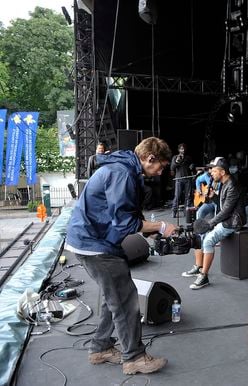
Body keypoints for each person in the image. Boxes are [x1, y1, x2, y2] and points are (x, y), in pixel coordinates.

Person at [65, 137, 177, 375]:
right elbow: (125, 222)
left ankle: (100, 347)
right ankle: (134, 357)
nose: (162, 171)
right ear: (150, 158)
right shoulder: (122, 174)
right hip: (94, 244)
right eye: (162, 165)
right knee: (125, 300)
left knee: (112, 295)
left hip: (93, 240)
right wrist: (160, 227)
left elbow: (126, 214)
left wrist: (150, 234)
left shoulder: (124, 167)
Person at [186, 157, 246, 289]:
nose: (211, 173)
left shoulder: (233, 186)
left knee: (208, 240)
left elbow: (226, 211)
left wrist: (210, 223)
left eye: (213, 171)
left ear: (222, 172)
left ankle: (204, 276)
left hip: (233, 221)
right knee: (199, 235)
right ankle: (198, 266)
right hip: (226, 218)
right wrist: (214, 197)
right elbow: (222, 204)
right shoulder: (225, 183)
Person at [170, 143, 194, 218]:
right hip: (179, 179)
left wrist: (192, 166)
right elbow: (172, 167)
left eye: (183, 149)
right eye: (181, 149)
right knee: (177, 196)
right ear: (178, 150)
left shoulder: (188, 158)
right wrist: (177, 161)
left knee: (188, 196)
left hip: (188, 179)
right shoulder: (175, 157)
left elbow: (192, 168)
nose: (182, 150)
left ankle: (186, 212)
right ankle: (174, 211)